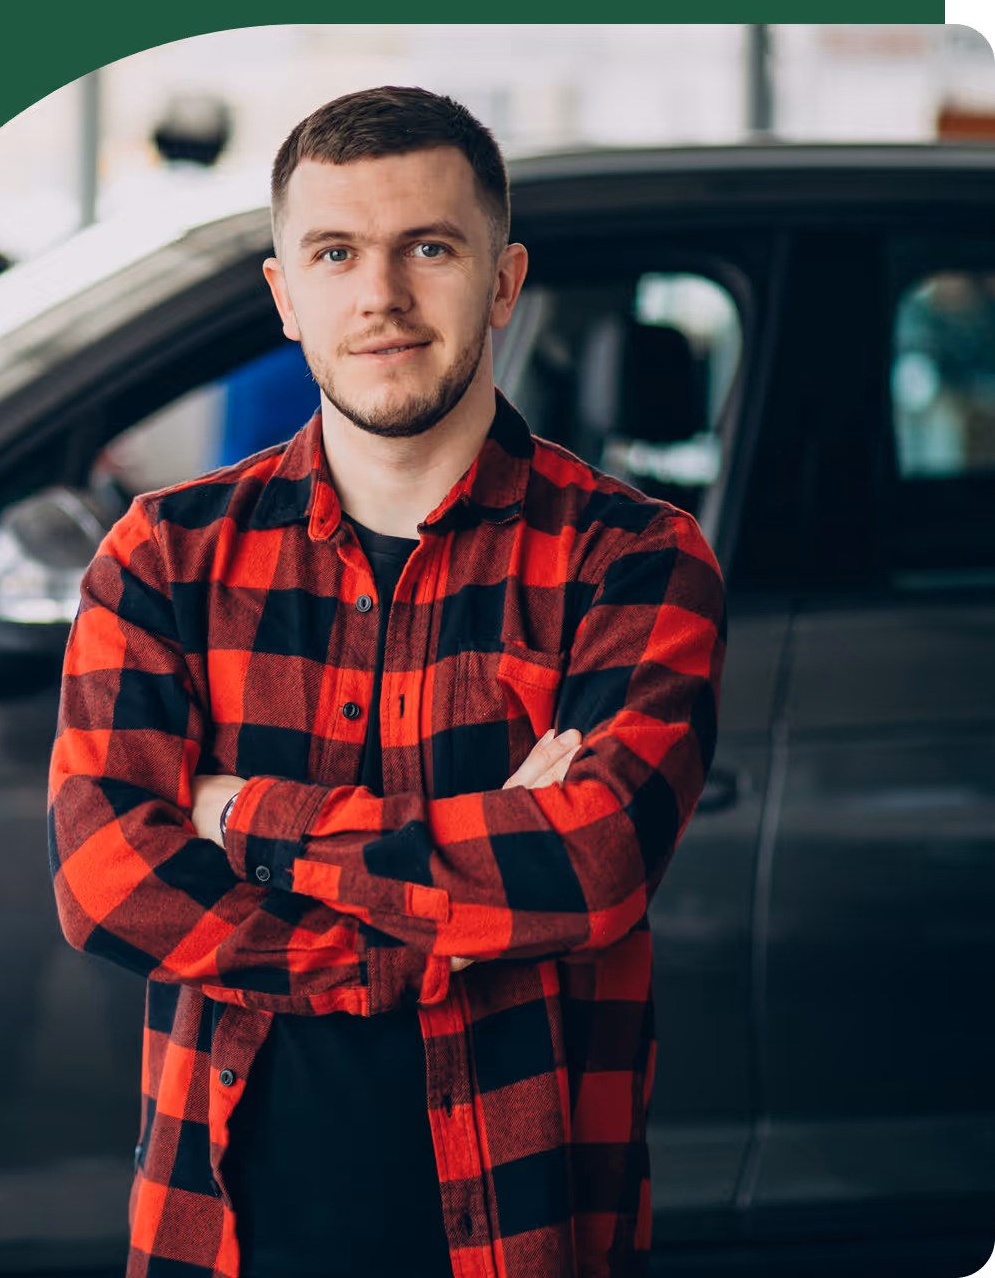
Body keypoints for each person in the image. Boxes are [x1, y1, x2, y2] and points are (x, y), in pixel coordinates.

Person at [48, 86, 726, 1278]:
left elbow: (591, 861)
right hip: (226, 1240)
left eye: (428, 247)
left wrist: (237, 816)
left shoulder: (632, 559)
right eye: (336, 253)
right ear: (284, 294)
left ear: (504, 280)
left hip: (523, 1237)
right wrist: (439, 931)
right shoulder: (163, 557)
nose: (381, 297)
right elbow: (107, 882)